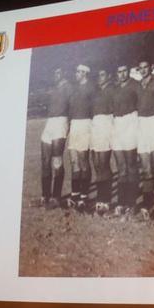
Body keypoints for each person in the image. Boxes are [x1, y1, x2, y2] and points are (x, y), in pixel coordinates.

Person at [136, 60, 154, 223]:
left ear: (151, 67)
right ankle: (147, 206)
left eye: (146, 67)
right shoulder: (138, 85)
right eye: (140, 68)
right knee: (146, 170)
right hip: (141, 125)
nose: (143, 70)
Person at [110, 64, 141, 217]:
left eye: (124, 71)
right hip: (117, 124)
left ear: (128, 71)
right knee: (121, 166)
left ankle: (132, 203)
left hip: (131, 122)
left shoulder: (135, 85)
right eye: (119, 72)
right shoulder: (115, 88)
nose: (122, 74)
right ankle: (121, 202)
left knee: (131, 165)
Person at [39, 68, 70, 209]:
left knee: (57, 160)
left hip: (61, 122)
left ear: (64, 73)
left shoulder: (69, 87)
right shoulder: (54, 88)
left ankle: (56, 197)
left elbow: (72, 107)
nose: (55, 75)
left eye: (58, 72)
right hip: (50, 122)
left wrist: (67, 125)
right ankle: (45, 196)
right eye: (54, 72)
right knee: (45, 160)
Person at [66, 64, 96, 211]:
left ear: (85, 73)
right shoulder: (74, 89)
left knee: (83, 161)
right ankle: (75, 194)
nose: (76, 74)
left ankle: (84, 196)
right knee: (74, 161)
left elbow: (94, 110)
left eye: (78, 72)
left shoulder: (91, 88)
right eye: (76, 71)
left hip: (85, 124)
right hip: (74, 125)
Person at [91, 68, 116, 214]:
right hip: (96, 125)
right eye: (98, 75)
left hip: (106, 124)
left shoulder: (112, 89)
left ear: (108, 75)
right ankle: (100, 199)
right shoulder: (97, 90)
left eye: (102, 74)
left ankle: (105, 200)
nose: (100, 77)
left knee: (104, 164)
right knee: (97, 165)